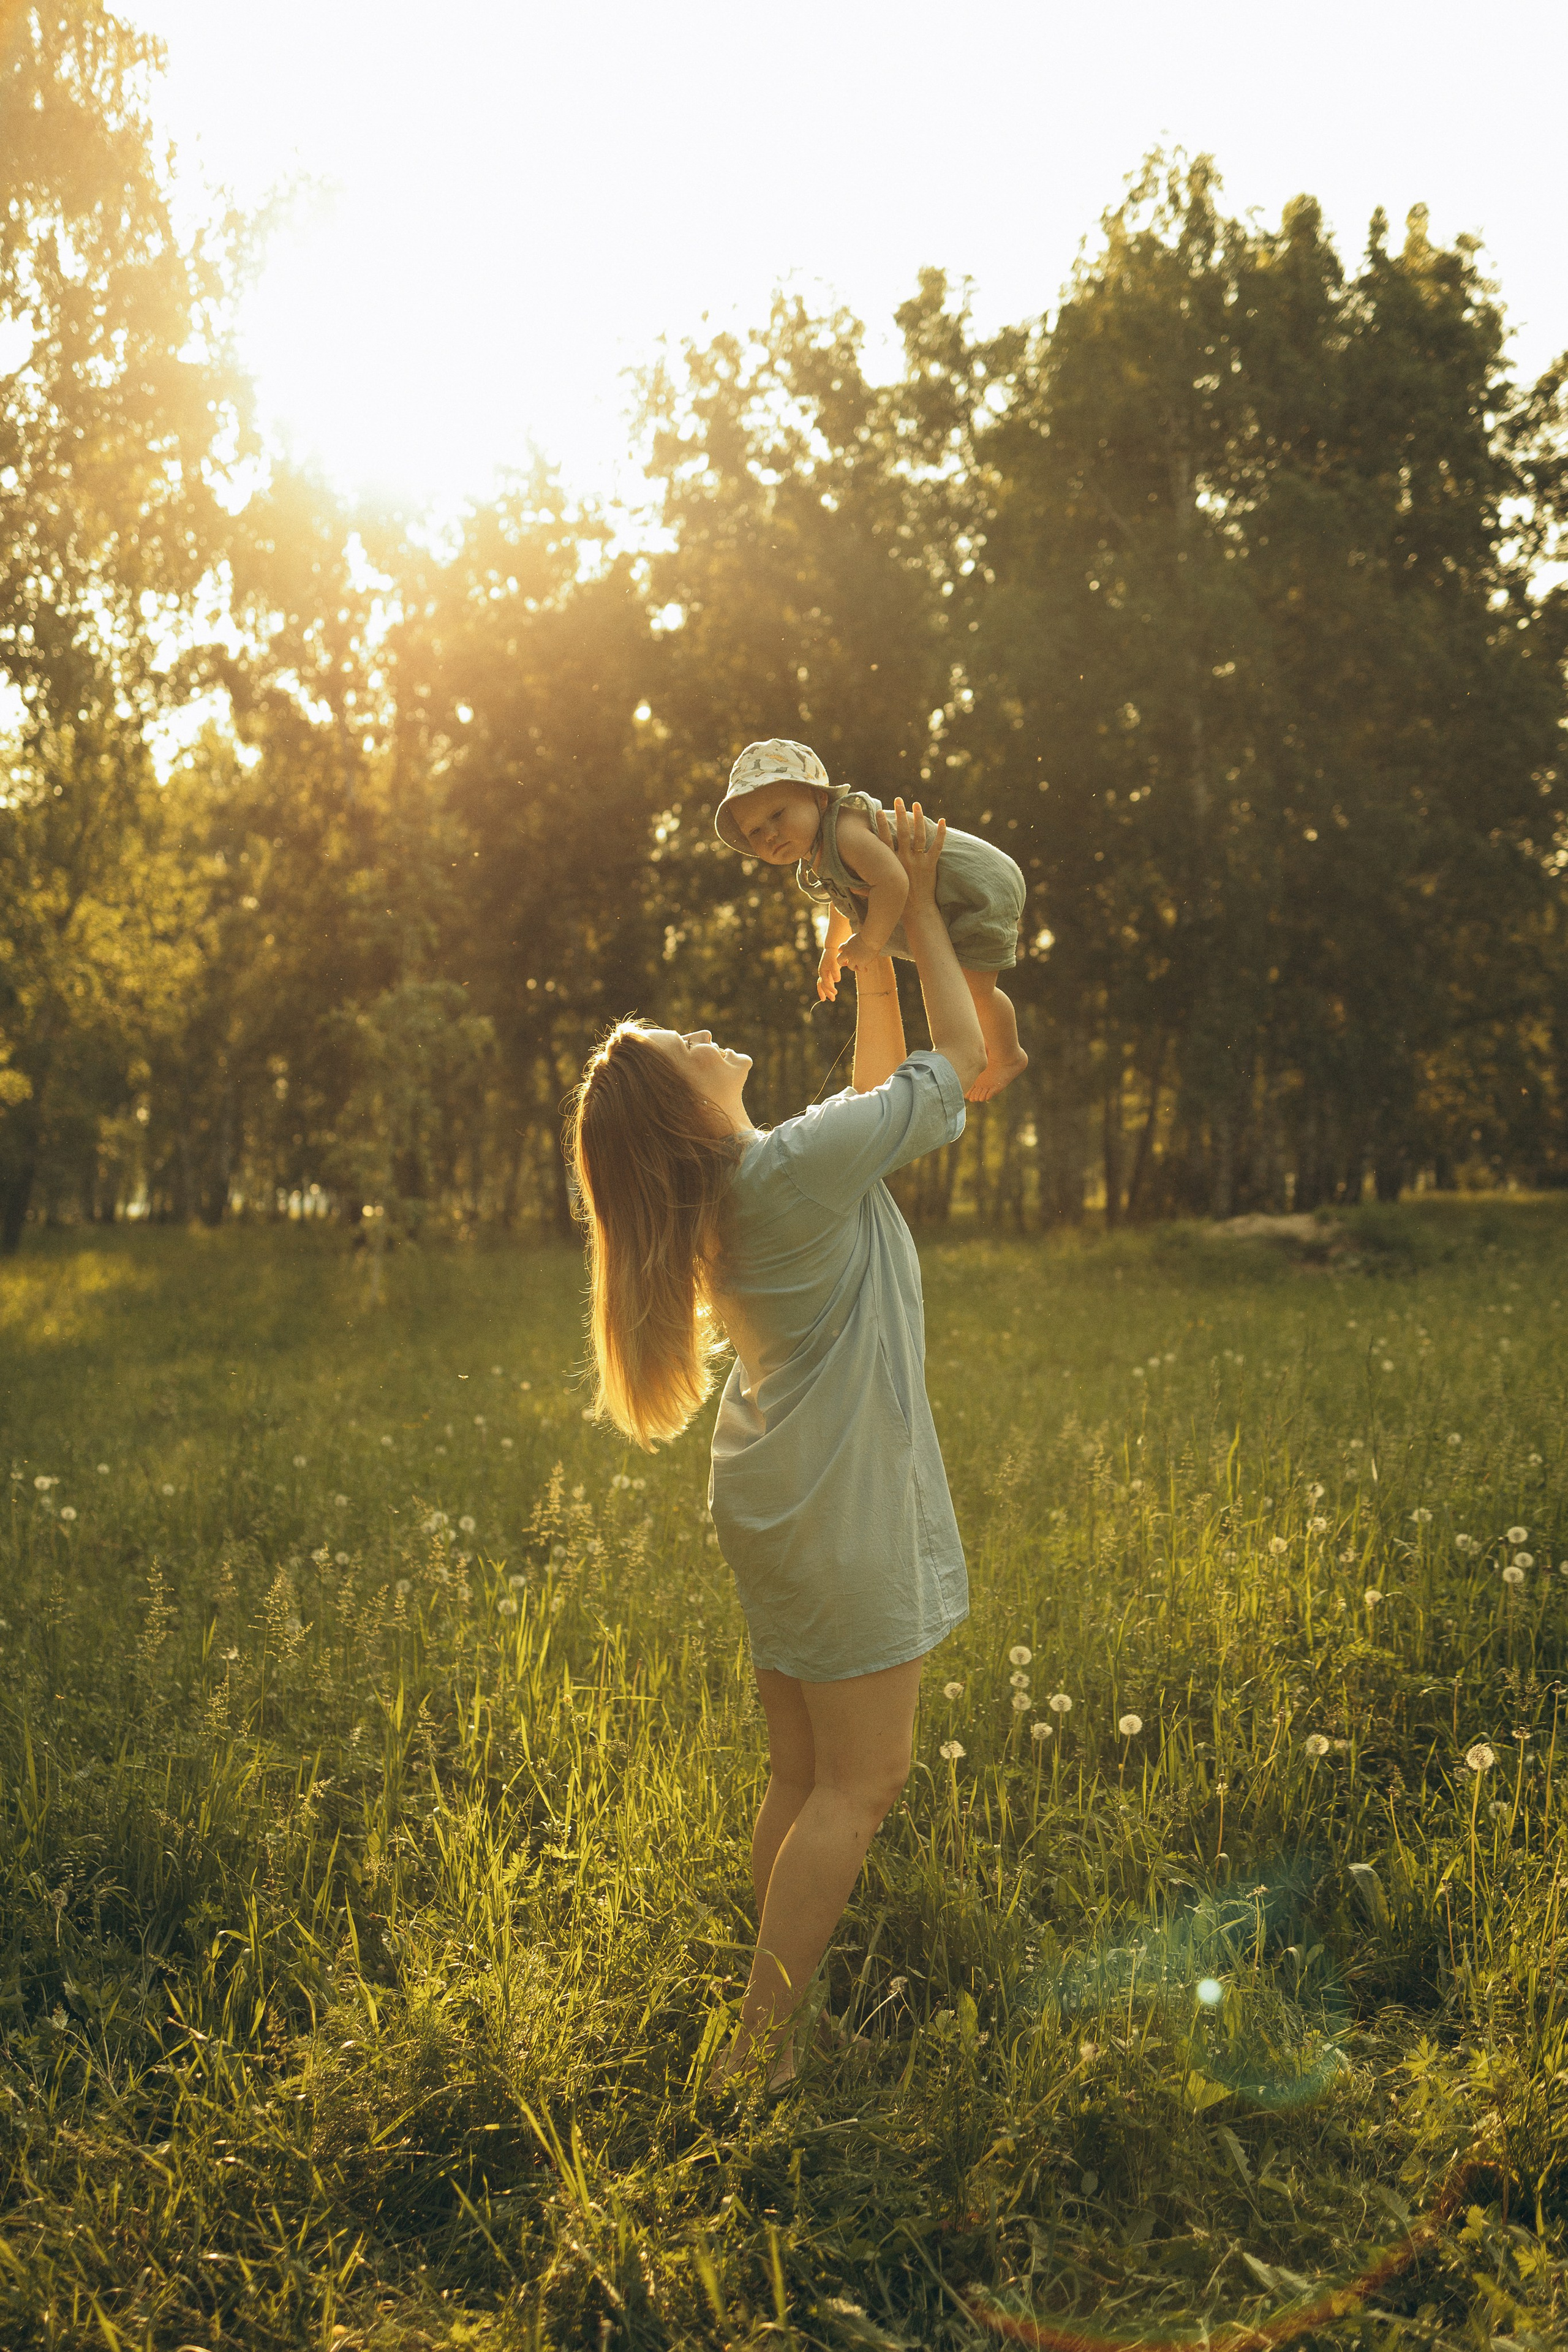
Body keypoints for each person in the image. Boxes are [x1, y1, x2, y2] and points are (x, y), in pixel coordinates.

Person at [566, 801, 986, 2094]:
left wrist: (868, 958)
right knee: (861, 1786)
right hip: (837, 1508)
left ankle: (770, 1984)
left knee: (801, 1774)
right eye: (676, 1042)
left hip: (776, 1500)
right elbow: (953, 1067)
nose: (700, 1032)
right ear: (686, 1109)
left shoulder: (755, 1183)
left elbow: (868, 1104)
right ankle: (758, 2053)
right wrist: (912, 912)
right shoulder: (788, 1172)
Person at [714, 736, 1029, 1101]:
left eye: (778, 815)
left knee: (975, 992)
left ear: (818, 798)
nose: (769, 833)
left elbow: (893, 881)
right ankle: (1002, 1049)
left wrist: (869, 942)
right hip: (953, 895)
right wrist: (832, 947)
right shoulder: (820, 850)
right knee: (967, 988)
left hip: (977, 888)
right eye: (755, 831)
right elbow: (843, 895)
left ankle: (1009, 1055)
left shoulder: (845, 830)